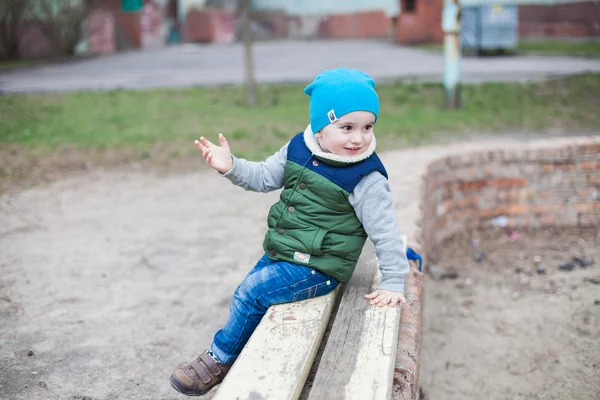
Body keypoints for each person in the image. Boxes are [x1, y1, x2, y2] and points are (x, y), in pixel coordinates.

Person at [169, 68, 410, 396]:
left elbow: (386, 231)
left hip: (320, 266)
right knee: (249, 292)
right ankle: (244, 356)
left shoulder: (366, 177)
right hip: (287, 250)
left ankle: (218, 359)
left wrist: (395, 280)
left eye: (368, 127)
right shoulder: (299, 147)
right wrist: (231, 166)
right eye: (347, 127)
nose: (359, 138)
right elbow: (264, 177)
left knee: (251, 292)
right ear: (321, 128)